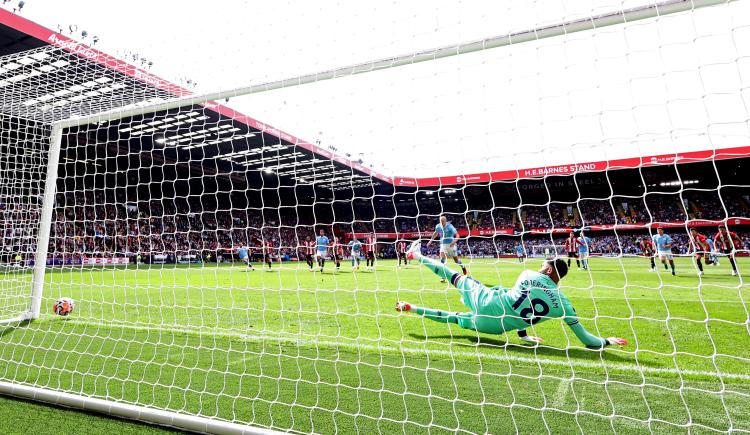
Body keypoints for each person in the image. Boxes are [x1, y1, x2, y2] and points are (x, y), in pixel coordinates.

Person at [396, 242, 627, 349]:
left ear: (548, 270)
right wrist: (607, 341)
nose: (538, 267)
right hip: (495, 327)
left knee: (453, 275)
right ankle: (412, 308)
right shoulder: (564, 305)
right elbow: (587, 340)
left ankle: (415, 255)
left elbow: (516, 296)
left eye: (542, 266)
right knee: (455, 318)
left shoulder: (527, 274)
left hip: (488, 301)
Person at [428, 215, 467, 282]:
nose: (442, 222)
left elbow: (457, 235)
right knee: (442, 259)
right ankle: (443, 277)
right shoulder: (438, 226)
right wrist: (430, 240)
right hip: (443, 244)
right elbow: (435, 233)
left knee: (456, 261)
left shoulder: (450, 227)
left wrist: (454, 242)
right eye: (441, 221)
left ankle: (463, 267)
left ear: (446, 221)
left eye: (443, 221)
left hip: (451, 245)